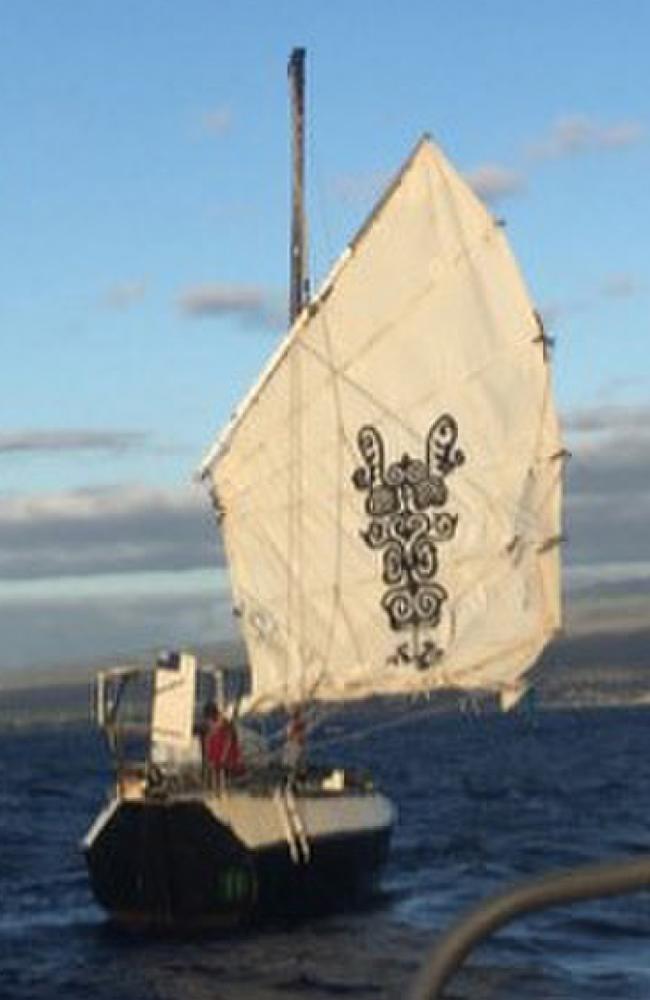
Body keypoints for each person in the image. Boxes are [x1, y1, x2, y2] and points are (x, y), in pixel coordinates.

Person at [202, 702, 244, 779]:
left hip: (226, 751)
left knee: (216, 739)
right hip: (220, 751)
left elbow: (229, 739)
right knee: (211, 739)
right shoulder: (213, 725)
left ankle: (223, 768)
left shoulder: (224, 723)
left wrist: (223, 757)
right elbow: (208, 738)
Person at [282, 705, 307, 771]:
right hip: (294, 744)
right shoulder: (294, 724)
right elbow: (290, 735)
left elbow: (290, 734)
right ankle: (293, 776)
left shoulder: (295, 724)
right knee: (293, 763)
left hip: (296, 744)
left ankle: (297, 775)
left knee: (296, 763)